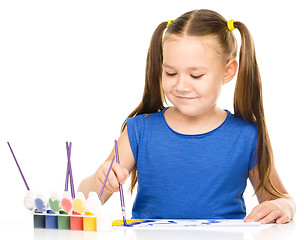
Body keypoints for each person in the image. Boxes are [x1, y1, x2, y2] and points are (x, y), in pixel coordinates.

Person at [78, 9, 296, 224]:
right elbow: (85, 199)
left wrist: (283, 206)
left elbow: (279, 198)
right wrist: (99, 182)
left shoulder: (246, 136)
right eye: (170, 73)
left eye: (196, 75)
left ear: (228, 71)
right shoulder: (139, 131)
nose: (181, 85)